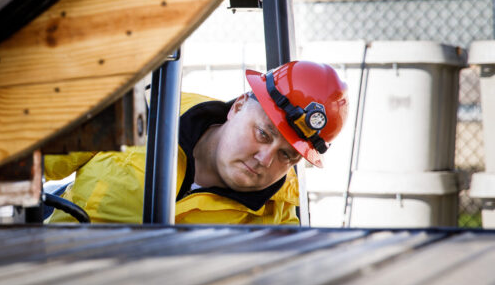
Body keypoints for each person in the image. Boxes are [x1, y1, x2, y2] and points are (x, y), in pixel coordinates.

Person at [45, 60, 349, 225]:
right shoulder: (147, 110)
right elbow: (35, 159)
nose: (264, 159)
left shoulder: (277, 216)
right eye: (263, 134)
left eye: (287, 155)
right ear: (239, 106)